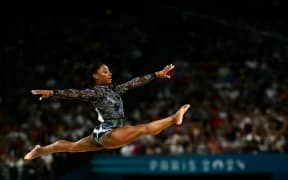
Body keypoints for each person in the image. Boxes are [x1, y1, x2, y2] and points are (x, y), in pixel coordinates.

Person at [24, 63, 190, 160]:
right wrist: (53, 93)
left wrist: (156, 74)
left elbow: (134, 83)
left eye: (109, 70)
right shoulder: (95, 92)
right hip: (110, 132)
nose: (109, 73)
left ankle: (42, 150)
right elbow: (76, 93)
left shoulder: (114, 90)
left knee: (72, 146)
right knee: (143, 129)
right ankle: (173, 119)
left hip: (102, 131)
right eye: (105, 71)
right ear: (95, 76)